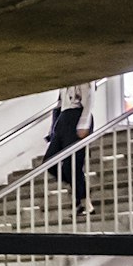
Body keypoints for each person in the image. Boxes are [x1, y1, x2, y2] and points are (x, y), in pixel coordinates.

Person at [45, 82, 96, 216]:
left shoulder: (83, 79)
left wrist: (84, 123)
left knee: (72, 165)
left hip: (77, 117)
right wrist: (52, 129)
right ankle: (81, 189)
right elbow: (59, 104)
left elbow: (89, 99)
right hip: (63, 119)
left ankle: (85, 203)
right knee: (50, 162)